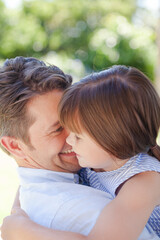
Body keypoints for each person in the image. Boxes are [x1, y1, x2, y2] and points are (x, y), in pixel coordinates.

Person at [0, 60, 159, 240]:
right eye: (58, 128)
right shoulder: (90, 167)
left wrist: (23, 232)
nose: (71, 137)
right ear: (15, 146)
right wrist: (16, 212)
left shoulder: (141, 181)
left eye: (80, 123)